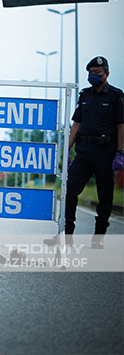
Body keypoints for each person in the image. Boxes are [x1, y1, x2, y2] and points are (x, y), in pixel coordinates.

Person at [64, 56, 124, 243]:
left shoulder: (116, 96)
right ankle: (67, 235)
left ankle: (98, 238)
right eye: (90, 72)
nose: (92, 75)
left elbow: (122, 126)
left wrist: (120, 152)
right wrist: (67, 149)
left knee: (104, 196)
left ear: (106, 73)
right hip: (84, 152)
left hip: (106, 152)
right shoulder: (85, 95)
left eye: (96, 72)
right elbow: (76, 125)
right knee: (70, 190)